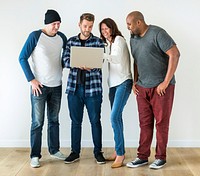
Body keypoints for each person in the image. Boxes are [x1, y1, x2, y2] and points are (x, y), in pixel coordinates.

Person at [125, 11, 180, 169]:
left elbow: (175, 54)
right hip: (142, 88)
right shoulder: (133, 38)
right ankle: (142, 157)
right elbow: (136, 60)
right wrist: (135, 81)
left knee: (162, 123)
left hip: (161, 88)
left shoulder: (158, 33)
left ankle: (160, 157)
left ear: (139, 23)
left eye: (129, 24)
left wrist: (166, 82)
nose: (128, 27)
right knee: (145, 124)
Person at [19, 9, 67, 168]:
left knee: (54, 120)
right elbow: (22, 57)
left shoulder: (62, 38)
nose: (57, 27)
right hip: (39, 87)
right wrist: (31, 80)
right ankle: (35, 155)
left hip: (57, 86)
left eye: (59, 24)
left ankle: (54, 150)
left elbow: (65, 58)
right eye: (54, 24)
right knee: (37, 122)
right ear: (47, 23)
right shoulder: (35, 36)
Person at [62, 13, 106, 164]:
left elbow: (100, 62)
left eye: (90, 26)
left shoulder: (98, 42)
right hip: (74, 89)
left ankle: (98, 152)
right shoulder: (70, 41)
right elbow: (65, 61)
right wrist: (77, 63)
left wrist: (90, 66)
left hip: (93, 90)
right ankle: (75, 152)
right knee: (75, 122)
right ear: (79, 25)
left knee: (95, 121)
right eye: (85, 26)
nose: (87, 29)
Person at [99, 18, 133, 168]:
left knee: (114, 117)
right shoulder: (110, 44)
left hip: (123, 83)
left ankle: (120, 154)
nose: (104, 31)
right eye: (102, 30)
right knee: (116, 119)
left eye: (106, 28)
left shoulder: (119, 40)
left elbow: (117, 59)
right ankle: (118, 150)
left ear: (112, 28)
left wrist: (101, 55)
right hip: (113, 85)